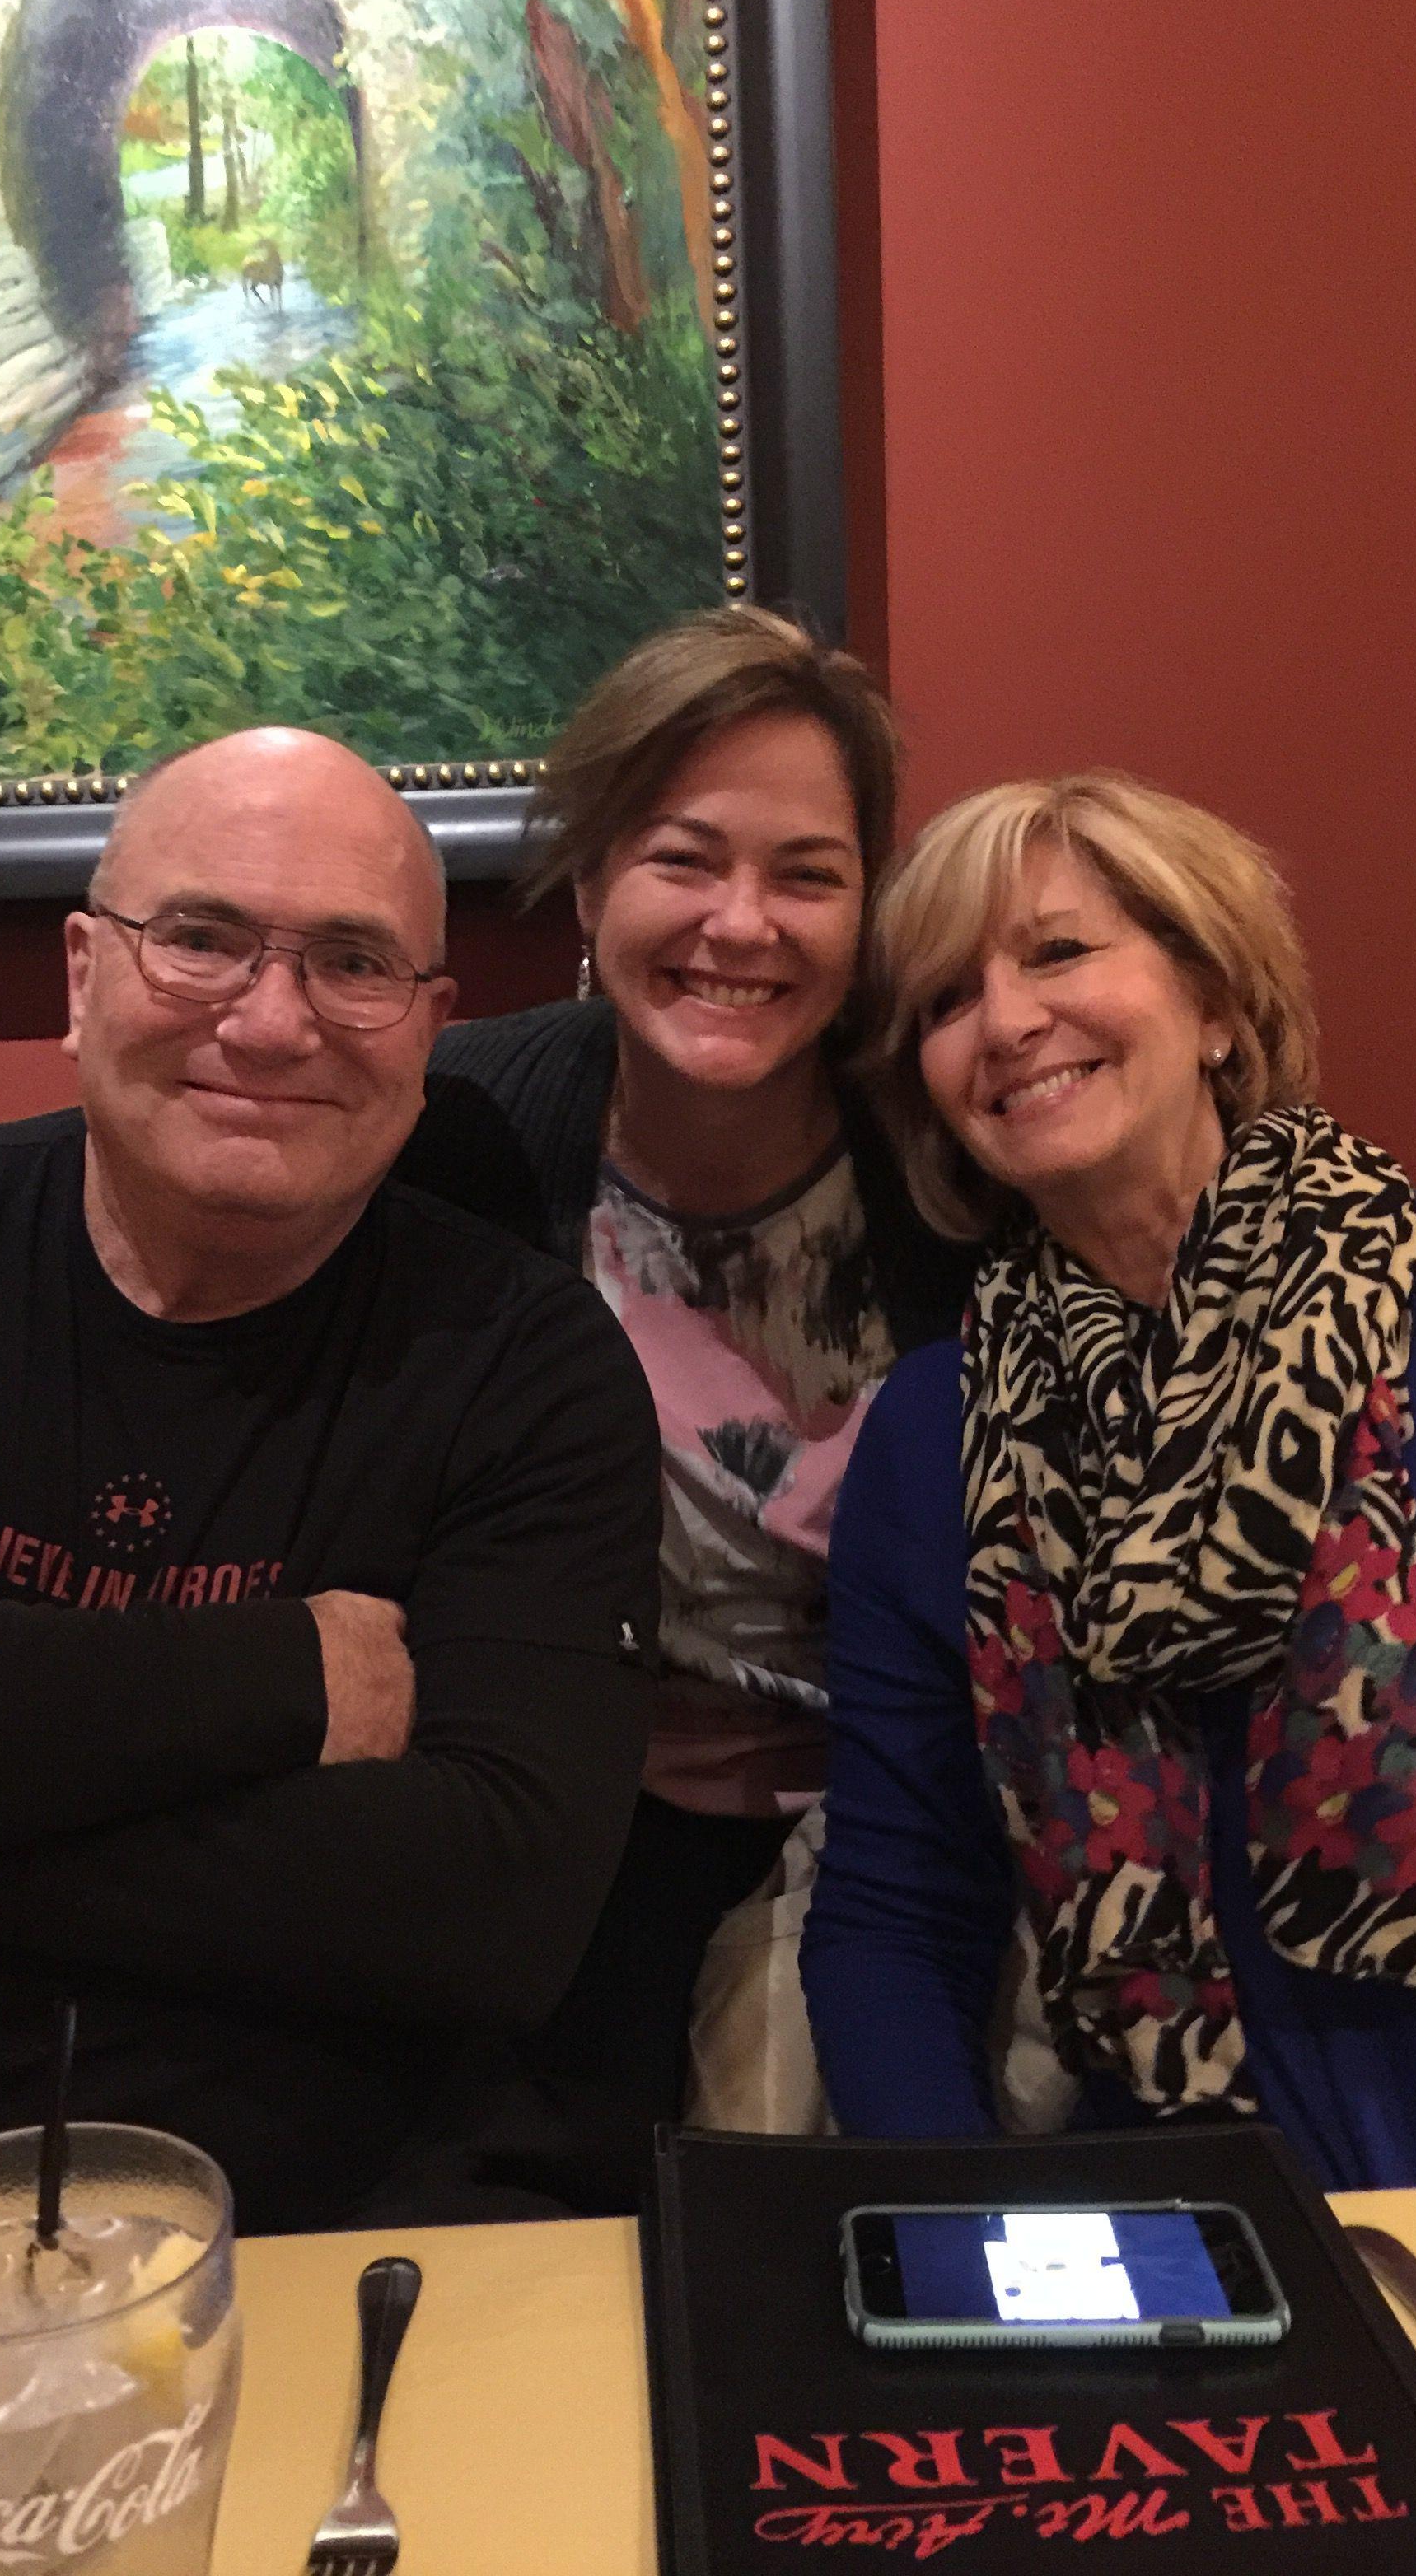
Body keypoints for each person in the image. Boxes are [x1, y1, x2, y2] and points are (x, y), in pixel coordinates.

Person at [0, 728, 661, 2262]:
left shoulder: (530, 1365)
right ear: (83, 973)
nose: (269, 1022)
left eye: (353, 963)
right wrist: (284, 1674)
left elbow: (491, 1908)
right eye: (200, 939)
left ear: (428, 1024)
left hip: (324, 2254)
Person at [801, 770, 1416, 2188]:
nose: (1006, 1022)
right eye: (946, 1002)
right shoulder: (931, 1434)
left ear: (1216, 1002)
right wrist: (978, 2240)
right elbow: (896, 1914)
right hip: (1205, 2245)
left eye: (1058, 951)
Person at [395, 608, 974, 2193]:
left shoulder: (956, 1158)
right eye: (684, 859)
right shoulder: (462, 1137)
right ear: (591, 887)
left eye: (808, 874)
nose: (743, 924)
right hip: (580, 1830)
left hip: (910, 1834)